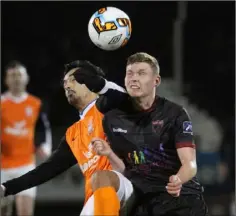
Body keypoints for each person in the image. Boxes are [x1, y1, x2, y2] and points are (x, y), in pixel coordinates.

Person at [73, 53, 209, 216]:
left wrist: (178, 179)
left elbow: (190, 164)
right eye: (129, 73)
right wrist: (108, 153)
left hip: (180, 198)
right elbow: (124, 169)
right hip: (142, 200)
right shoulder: (112, 119)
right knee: (100, 177)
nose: (133, 78)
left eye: (141, 73)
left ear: (156, 81)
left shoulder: (174, 114)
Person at [0, 61, 134, 216]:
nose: (68, 86)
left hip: (126, 184)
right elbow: (46, 170)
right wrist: (6, 188)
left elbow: (126, 99)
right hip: (98, 198)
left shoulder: (107, 108)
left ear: (89, 82)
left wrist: (100, 84)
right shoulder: (73, 134)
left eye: (74, 80)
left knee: (101, 177)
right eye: (65, 83)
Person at [1, 61, 52, 216]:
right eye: (12, 75)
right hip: (2, 166)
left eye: (19, 75)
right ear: (6, 80)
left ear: (26, 78)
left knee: (25, 212)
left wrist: (44, 146)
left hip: (25, 166)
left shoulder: (35, 104)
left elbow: (43, 128)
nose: (16, 79)